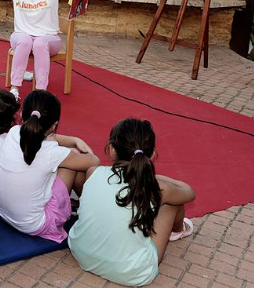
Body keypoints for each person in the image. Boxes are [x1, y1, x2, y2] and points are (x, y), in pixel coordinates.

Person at [68, 118, 196, 286]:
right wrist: (156, 179)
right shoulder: (158, 188)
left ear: (112, 150)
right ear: (152, 155)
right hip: (132, 273)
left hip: (81, 253)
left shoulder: (93, 172)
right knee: (173, 204)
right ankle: (179, 230)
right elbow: (189, 192)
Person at [0, 90, 100, 242]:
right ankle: (89, 207)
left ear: (22, 115)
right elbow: (94, 161)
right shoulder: (52, 152)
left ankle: (82, 203)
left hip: (3, 212)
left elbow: (38, 135)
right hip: (33, 224)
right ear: (54, 125)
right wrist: (75, 144)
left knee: (68, 156)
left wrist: (74, 139)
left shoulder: (13, 132)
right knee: (71, 162)